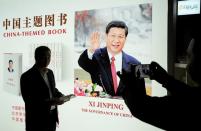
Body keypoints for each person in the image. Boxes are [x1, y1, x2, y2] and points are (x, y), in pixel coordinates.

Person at [119, 33, 201, 130]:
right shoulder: (194, 99)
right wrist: (166, 79)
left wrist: (128, 85)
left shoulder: (188, 105)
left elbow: (141, 108)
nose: (186, 62)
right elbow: (188, 94)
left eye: (189, 56)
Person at [78, 20, 145, 96]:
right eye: (113, 36)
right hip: (99, 107)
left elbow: (142, 95)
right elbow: (82, 63)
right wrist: (91, 49)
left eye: (120, 36)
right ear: (106, 36)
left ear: (125, 39)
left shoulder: (136, 64)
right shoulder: (96, 56)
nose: (116, 40)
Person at [20, 46, 66, 131]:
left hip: (52, 118)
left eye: (48, 56)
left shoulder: (50, 73)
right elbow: (30, 100)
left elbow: (52, 89)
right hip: (36, 121)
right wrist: (51, 102)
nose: (46, 59)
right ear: (36, 57)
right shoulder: (27, 76)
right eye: (43, 56)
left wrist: (61, 96)